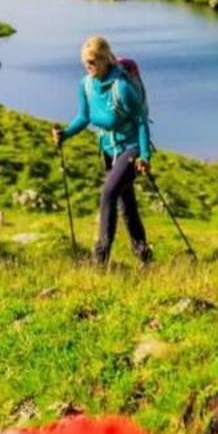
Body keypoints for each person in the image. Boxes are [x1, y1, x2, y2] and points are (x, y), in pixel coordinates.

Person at [52, 35, 155, 266]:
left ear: (105, 59)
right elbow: (84, 116)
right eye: (85, 62)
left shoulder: (123, 87)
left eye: (92, 62)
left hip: (131, 149)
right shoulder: (86, 84)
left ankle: (100, 259)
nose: (88, 66)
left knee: (109, 193)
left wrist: (145, 156)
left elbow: (141, 121)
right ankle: (144, 257)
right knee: (126, 204)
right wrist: (66, 134)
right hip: (109, 150)